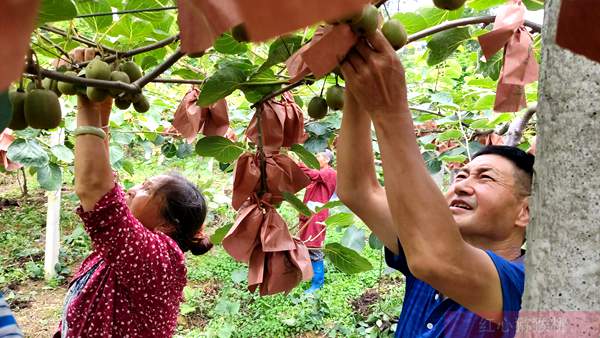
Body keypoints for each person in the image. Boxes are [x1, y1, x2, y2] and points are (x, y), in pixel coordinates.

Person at [336, 31, 533, 337]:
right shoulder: (422, 248)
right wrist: (356, 79)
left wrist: (389, 108)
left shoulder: (525, 286)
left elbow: (437, 258)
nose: (463, 185)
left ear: (526, 211)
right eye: (461, 176)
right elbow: (358, 189)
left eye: (485, 178)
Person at [54, 48, 213, 337]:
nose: (130, 188)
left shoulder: (160, 260)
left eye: (146, 189)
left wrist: (87, 90)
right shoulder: (130, 250)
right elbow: (103, 181)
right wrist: (100, 98)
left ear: (166, 225)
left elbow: (94, 189)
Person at [297, 150, 337, 293]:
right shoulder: (319, 175)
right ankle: (306, 276)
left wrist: (298, 164)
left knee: (314, 247)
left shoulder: (329, 172)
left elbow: (314, 174)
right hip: (309, 215)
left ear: (327, 160)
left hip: (317, 216)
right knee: (305, 246)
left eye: (319, 156)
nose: (316, 158)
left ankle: (318, 282)